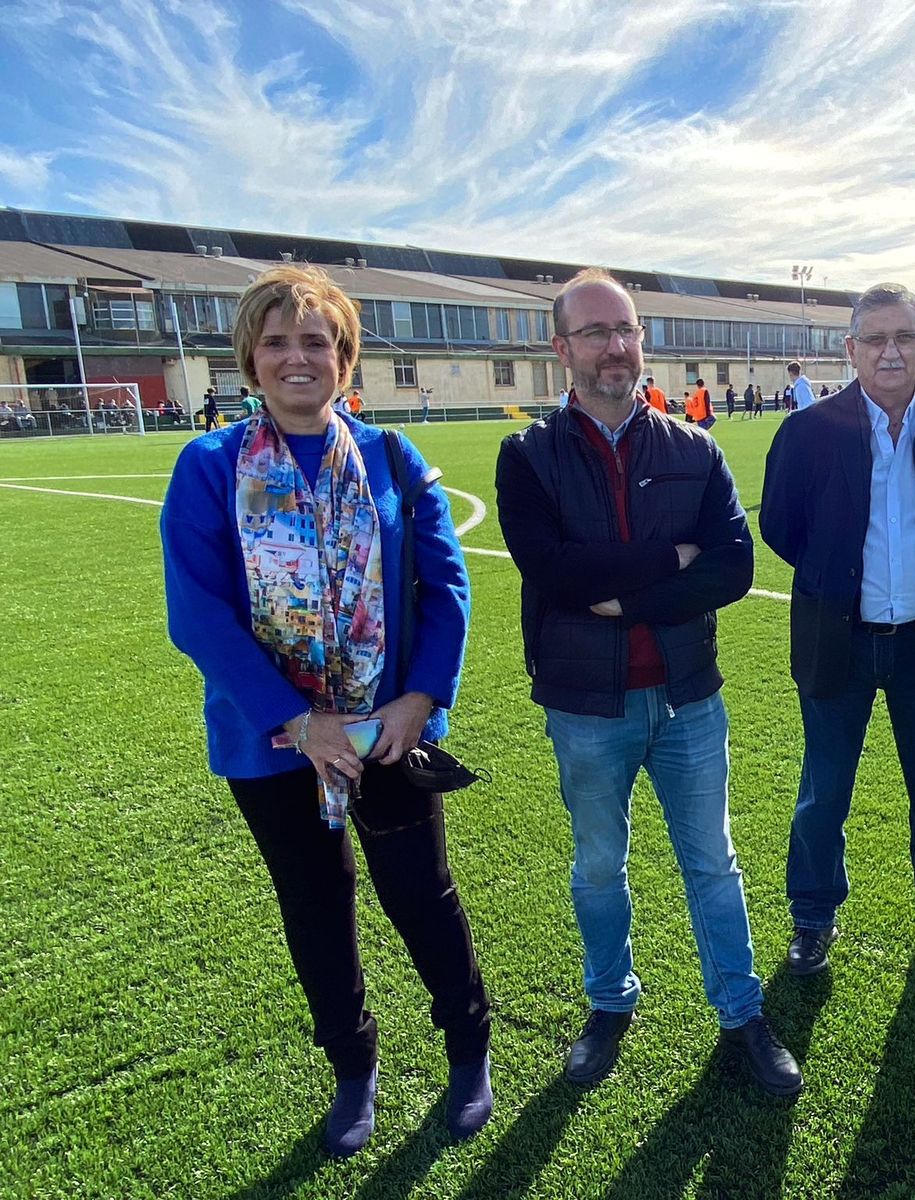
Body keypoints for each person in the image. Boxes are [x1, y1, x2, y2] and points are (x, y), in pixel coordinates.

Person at [159, 265, 492, 1156]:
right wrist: (301, 722)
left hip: (390, 732)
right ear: (250, 359)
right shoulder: (208, 466)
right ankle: (354, 1068)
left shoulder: (391, 457)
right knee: (315, 902)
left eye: (317, 342)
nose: (297, 358)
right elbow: (197, 612)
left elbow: (448, 583)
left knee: (419, 892)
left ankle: (468, 1050)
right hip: (271, 742)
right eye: (277, 342)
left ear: (345, 359)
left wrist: (423, 697)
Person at [495, 268, 801, 1097]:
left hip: (688, 697)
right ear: (561, 349)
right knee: (599, 867)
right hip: (587, 706)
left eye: (626, 329)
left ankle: (741, 1012)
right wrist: (670, 561)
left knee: (715, 866)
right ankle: (609, 1003)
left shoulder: (692, 447)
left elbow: (733, 567)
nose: (616, 346)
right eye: (595, 332)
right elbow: (552, 572)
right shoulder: (528, 454)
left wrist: (622, 594)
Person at [760, 283, 915, 979]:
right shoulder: (809, 429)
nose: (890, 352)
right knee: (823, 792)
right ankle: (812, 918)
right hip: (840, 641)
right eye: (875, 339)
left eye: (904, 339)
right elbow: (780, 525)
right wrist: (836, 579)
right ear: (851, 348)